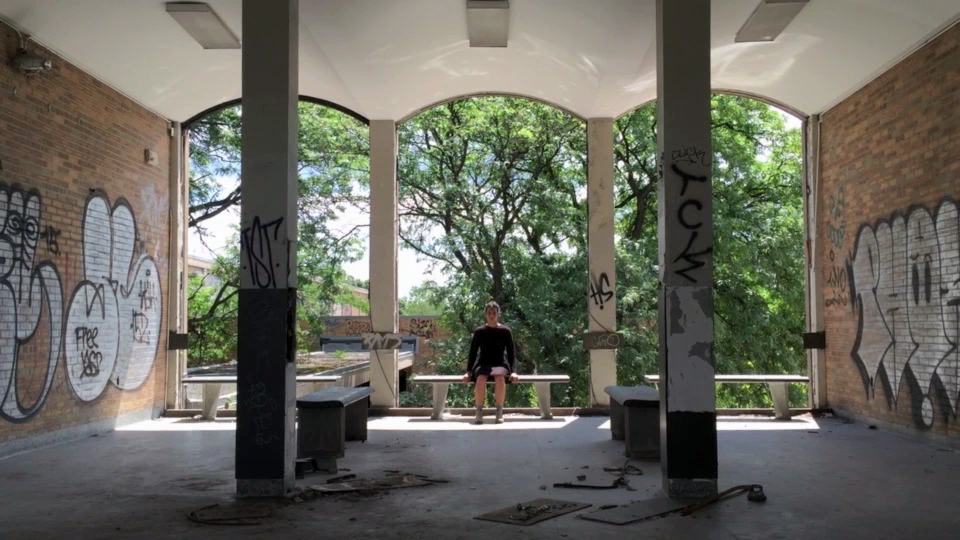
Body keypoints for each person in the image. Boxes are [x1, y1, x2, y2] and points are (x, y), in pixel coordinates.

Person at [463, 301, 519, 424]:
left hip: (500, 362)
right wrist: (468, 372)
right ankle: (478, 412)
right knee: (480, 379)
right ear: (485, 314)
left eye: (494, 313)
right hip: (483, 363)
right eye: (489, 313)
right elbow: (472, 352)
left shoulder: (506, 331)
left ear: (498, 314)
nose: (491, 315)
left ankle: (499, 412)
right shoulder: (479, 331)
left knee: (500, 379)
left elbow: (511, 353)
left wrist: (514, 372)